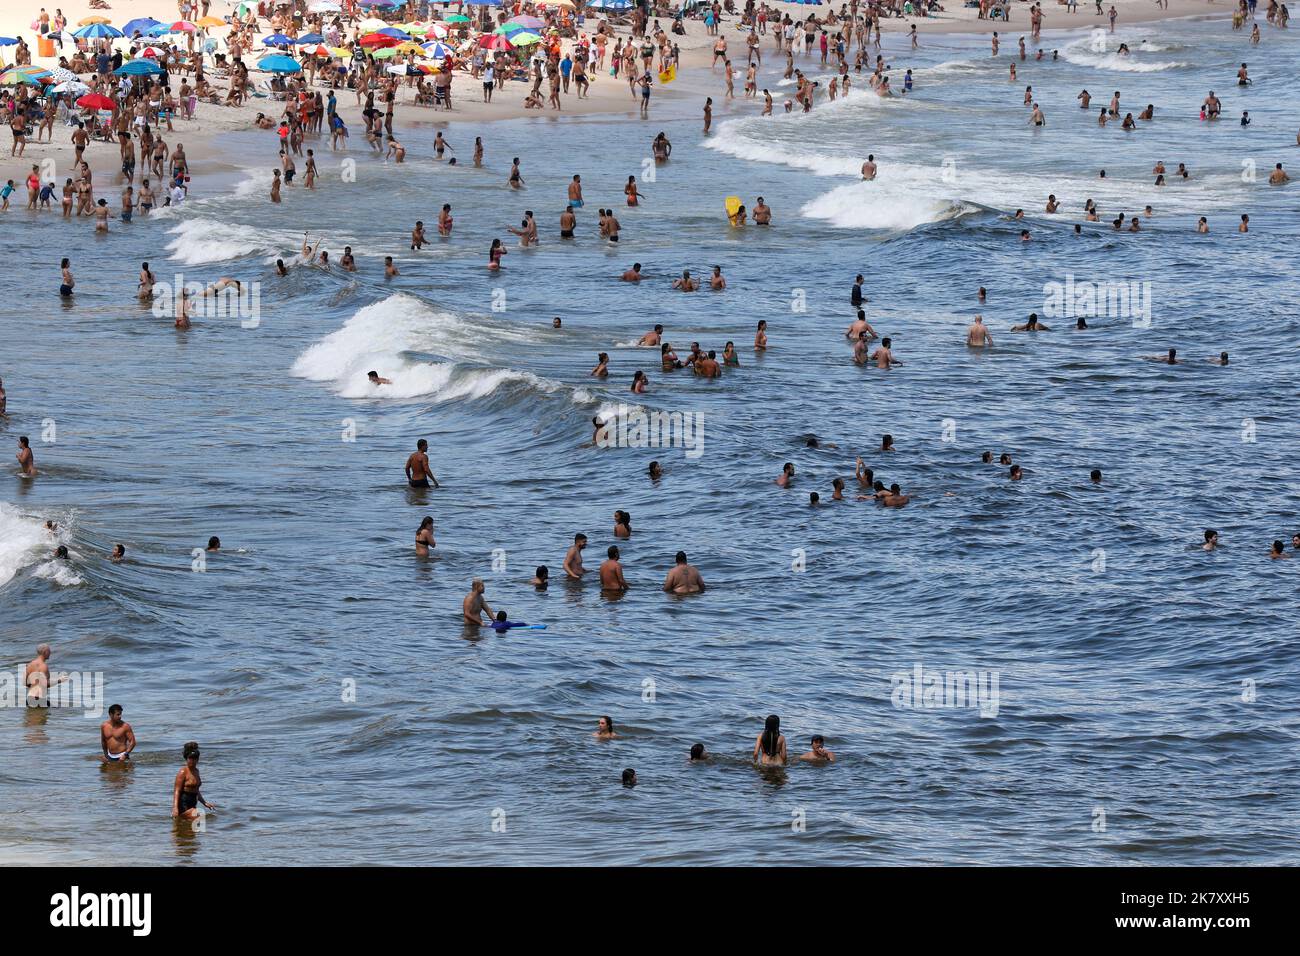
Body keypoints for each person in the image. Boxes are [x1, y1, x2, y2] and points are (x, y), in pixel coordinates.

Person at [172, 741, 216, 821]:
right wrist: (175, 808)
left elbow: (196, 790)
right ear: (186, 758)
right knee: (199, 816)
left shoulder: (196, 771)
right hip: (183, 804)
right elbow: (177, 791)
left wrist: (204, 803)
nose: (193, 761)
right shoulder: (183, 772)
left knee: (191, 831)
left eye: (195, 759)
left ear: (198, 759)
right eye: (190, 758)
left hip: (193, 803)